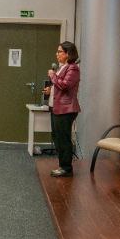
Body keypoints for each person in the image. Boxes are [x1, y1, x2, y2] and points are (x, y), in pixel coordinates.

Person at [46, 41, 80, 177]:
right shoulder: (62, 67)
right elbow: (59, 87)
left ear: (68, 54)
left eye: (60, 51)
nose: (57, 54)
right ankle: (62, 165)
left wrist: (52, 75)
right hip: (56, 108)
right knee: (57, 137)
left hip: (66, 109)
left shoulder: (73, 68)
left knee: (63, 139)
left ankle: (66, 168)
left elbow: (65, 86)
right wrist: (51, 90)